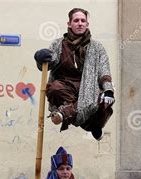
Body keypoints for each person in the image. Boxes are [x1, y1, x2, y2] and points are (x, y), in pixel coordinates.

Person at [34, 8, 115, 140]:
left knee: (101, 100)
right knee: (54, 89)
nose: (80, 23)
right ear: (69, 23)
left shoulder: (97, 47)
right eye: (76, 20)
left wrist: (108, 90)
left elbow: (103, 69)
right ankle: (90, 125)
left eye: (83, 21)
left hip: (89, 88)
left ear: (87, 24)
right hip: (65, 86)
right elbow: (49, 63)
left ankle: (66, 114)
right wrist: (40, 57)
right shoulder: (58, 44)